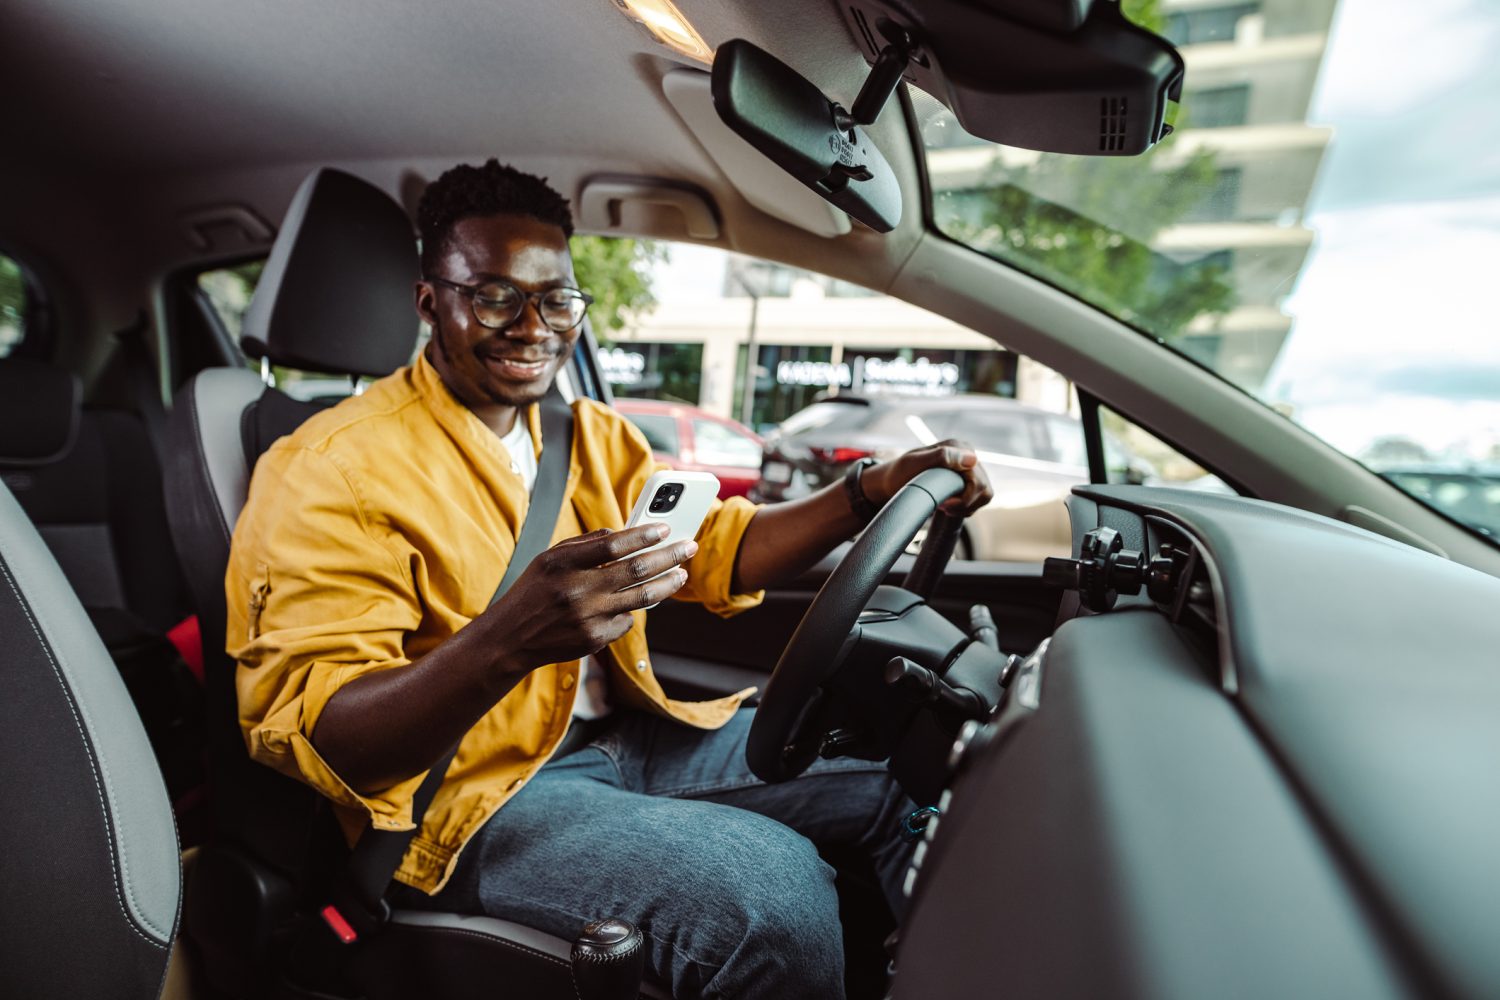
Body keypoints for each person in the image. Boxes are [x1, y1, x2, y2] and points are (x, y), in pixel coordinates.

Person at [228, 159, 992, 1000]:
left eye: (556, 299)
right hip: (474, 801)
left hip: (629, 741)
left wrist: (867, 490)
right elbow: (324, 733)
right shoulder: (330, 467)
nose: (533, 326)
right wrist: (507, 640)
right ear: (429, 302)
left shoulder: (587, 434)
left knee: (913, 762)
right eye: (493, 296)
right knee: (769, 889)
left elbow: (716, 551)